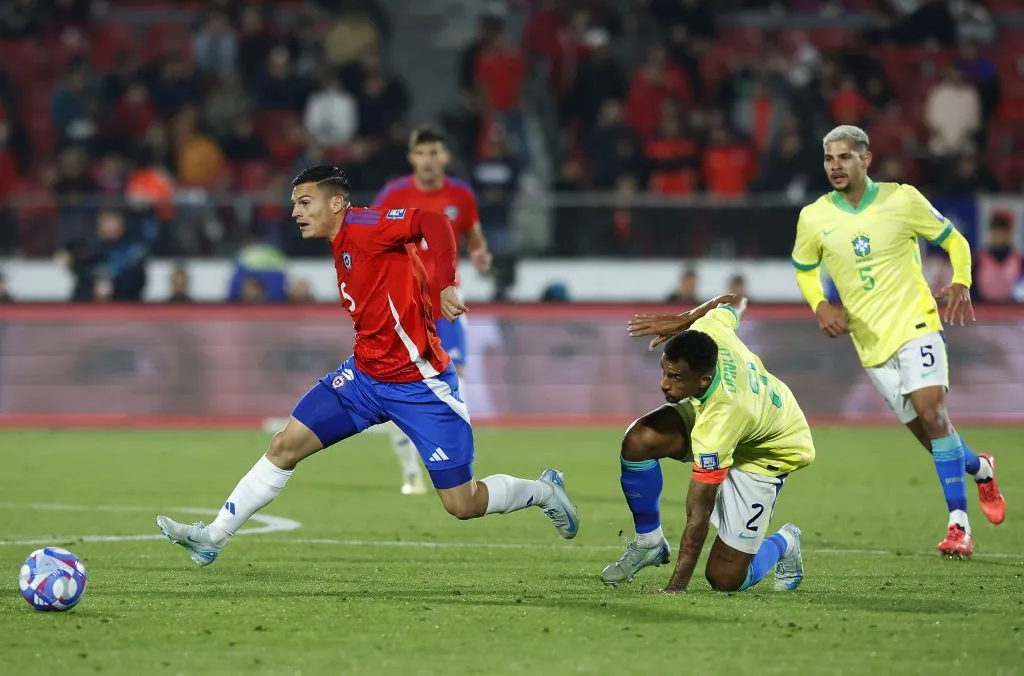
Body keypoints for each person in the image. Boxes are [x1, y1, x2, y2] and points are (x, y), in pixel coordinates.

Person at [156, 166, 578, 566]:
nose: (295, 213)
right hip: (363, 378)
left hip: (420, 384)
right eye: (294, 204)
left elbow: (434, 222)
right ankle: (213, 537)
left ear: (336, 204)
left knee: (462, 503)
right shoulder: (340, 242)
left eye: (305, 202)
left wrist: (447, 281)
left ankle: (543, 491)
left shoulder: (367, 226)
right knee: (284, 445)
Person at [791, 125, 1006, 558]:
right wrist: (819, 306)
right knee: (932, 437)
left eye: (845, 157)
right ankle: (981, 468)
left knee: (933, 411)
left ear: (866, 159)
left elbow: (956, 241)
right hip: (870, 344)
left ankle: (958, 527)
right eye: (829, 158)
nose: (836, 165)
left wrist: (962, 281)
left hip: (916, 324)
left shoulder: (902, 199)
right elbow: (804, 267)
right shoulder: (814, 217)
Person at [600, 294, 813, 594]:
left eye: (675, 377)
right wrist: (685, 319)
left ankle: (785, 542)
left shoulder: (720, 422)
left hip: (767, 449)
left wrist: (676, 587)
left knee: (725, 580)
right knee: (640, 440)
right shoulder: (710, 329)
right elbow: (736, 300)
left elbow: (698, 513)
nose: (663, 384)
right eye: (664, 371)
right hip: (730, 411)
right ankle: (649, 542)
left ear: (703, 379)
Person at [372, 127, 492, 495]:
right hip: (404, 305)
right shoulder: (393, 195)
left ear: (445, 157)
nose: (428, 159)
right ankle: (410, 470)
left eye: (434, 152)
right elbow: (371, 238)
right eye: (421, 153)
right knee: (396, 383)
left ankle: (458, 467)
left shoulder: (460, 195)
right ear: (412, 158)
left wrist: (479, 251)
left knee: (458, 380)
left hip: (445, 302)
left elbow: (472, 231)